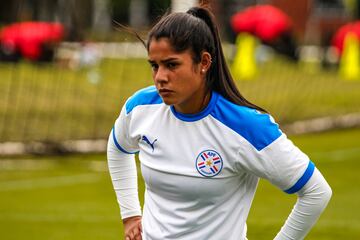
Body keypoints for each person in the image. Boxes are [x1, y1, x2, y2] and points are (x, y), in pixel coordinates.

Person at [107, 5, 332, 240]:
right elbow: (117, 148)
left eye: (172, 65)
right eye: (155, 65)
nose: (160, 77)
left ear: (204, 62)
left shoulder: (247, 127)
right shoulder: (141, 108)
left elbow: (316, 191)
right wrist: (131, 214)